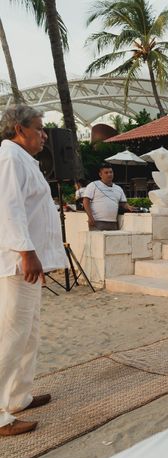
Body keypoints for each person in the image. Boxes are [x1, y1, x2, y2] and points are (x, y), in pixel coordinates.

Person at [0, 105, 67, 436]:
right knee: (10, 337)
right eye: (39, 128)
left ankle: (17, 397)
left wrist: (36, 255)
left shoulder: (23, 158)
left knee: (28, 333)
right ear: (18, 129)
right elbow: (9, 208)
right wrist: (26, 253)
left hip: (28, 259)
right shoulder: (10, 157)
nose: (44, 135)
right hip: (16, 261)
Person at [82, 164, 134, 231]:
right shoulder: (93, 185)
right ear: (100, 174)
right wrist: (90, 217)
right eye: (106, 173)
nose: (109, 174)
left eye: (111, 172)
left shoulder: (118, 188)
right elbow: (85, 201)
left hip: (113, 222)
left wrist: (129, 207)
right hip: (97, 222)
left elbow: (123, 203)